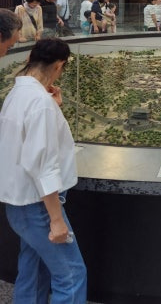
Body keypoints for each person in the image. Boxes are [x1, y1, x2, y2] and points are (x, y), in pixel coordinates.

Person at [0, 38, 87, 303]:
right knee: (71, 274)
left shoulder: (17, 94)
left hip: (19, 204)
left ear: (30, 59)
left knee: (33, 269)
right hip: (39, 205)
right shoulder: (40, 103)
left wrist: (54, 108)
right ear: (59, 65)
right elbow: (43, 166)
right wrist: (56, 219)